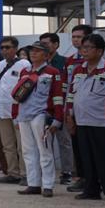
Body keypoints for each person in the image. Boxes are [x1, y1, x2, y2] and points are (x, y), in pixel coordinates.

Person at [65, 32, 105, 202]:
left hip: (103, 122)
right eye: (83, 47)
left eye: (88, 47)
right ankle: (91, 190)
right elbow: (71, 95)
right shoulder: (78, 69)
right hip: (81, 121)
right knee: (86, 158)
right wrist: (69, 116)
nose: (84, 51)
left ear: (99, 51)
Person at [13, 41, 65, 198]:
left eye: (38, 51)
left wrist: (57, 118)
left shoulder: (52, 72)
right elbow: (17, 95)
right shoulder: (24, 71)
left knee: (45, 150)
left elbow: (57, 96)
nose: (33, 53)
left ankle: (48, 185)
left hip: (42, 115)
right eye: (31, 50)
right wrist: (15, 115)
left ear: (47, 55)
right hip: (24, 114)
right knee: (28, 151)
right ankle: (33, 184)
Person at [0, 37, 30, 185]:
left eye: (8, 47)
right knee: (7, 145)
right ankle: (13, 172)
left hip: (18, 110)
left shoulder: (24, 64)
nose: (4, 50)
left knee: (22, 145)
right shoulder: (0, 64)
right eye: (2, 47)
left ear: (15, 49)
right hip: (2, 109)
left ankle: (26, 173)